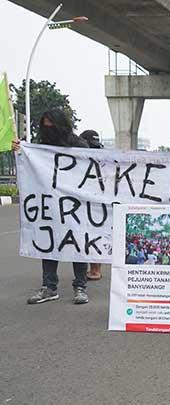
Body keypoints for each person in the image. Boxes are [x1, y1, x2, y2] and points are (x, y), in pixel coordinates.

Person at [12, 109, 90, 305]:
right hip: (50, 205)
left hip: (75, 205)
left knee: (78, 244)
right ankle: (49, 287)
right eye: (44, 126)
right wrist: (20, 150)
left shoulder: (79, 145)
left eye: (51, 126)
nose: (48, 131)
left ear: (60, 125)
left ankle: (80, 287)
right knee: (49, 242)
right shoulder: (41, 147)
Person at [79, 130, 105, 280]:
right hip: (94, 201)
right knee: (94, 235)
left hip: (93, 202)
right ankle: (94, 269)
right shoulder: (104, 157)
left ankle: (95, 269)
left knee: (91, 235)